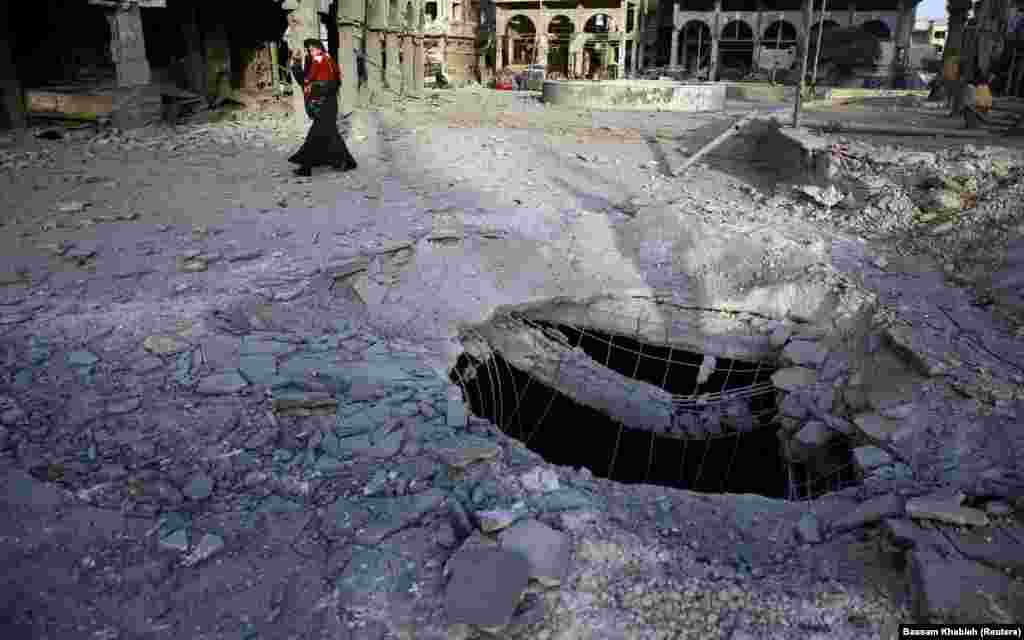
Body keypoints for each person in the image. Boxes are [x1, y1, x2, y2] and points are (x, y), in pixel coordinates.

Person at [288, 39, 357, 177]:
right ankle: (346, 162)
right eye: (309, 50)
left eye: (313, 49)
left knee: (314, 136)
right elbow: (310, 81)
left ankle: (305, 167)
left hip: (324, 105)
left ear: (320, 48)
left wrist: (296, 65)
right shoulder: (325, 60)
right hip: (328, 103)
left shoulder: (320, 60)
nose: (311, 52)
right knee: (331, 135)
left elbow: (307, 81)